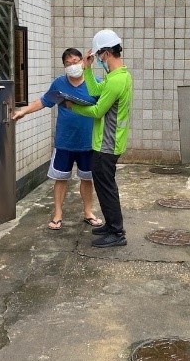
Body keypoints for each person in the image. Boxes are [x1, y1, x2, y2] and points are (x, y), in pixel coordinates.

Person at [12, 48, 103, 231]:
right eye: (68, 64)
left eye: (76, 61)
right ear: (64, 66)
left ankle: (88, 212)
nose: (72, 66)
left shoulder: (95, 84)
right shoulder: (59, 83)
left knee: (87, 178)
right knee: (60, 179)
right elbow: (44, 101)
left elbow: (105, 106)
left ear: (84, 61)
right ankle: (58, 214)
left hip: (88, 141)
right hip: (65, 141)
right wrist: (23, 111)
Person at [66, 30, 133, 248]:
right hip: (106, 142)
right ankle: (111, 225)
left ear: (105, 53)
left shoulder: (116, 81)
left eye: (98, 55)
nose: (98, 58)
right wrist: (88, 68)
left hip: (108, 144)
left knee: (106, 187)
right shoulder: (116, 76)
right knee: (104, 186)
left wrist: (73, 106)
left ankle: (117, 232)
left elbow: (96, 111)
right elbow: (94, 91)